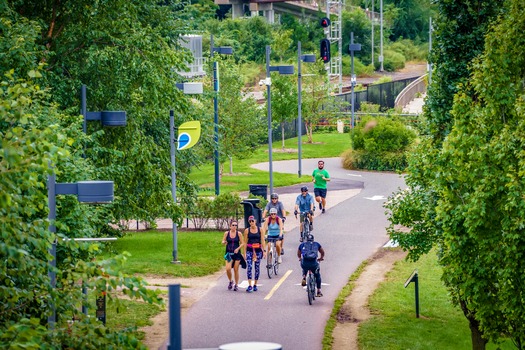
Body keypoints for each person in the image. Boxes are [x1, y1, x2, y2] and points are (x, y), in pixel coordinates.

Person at [243, 215, 266, 292]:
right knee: (249, 267)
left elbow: (262, 240)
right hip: (250, 250)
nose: (251, 222)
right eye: (250, 221)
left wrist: (264, 250)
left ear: (255, 221)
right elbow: (245, 242)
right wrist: (244, 253)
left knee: (257, 267)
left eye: (253, 221)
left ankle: (255, 284)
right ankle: (250, 285)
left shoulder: (260, 230)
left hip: (258, 250)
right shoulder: (247, 231)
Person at [221, 220, 245, 291]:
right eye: (233, 225)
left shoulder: (239, 234)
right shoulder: (227, 233)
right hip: (229, 253)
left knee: (235, 269)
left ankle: (236, 284)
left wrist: (238, 248)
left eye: (236, 225)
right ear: (230, 226)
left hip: (236, 254)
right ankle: (231, 281)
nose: (234, 227)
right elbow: (223, 241)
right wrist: (224, 242)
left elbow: (242, 243)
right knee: (228, 269)